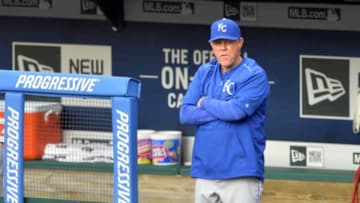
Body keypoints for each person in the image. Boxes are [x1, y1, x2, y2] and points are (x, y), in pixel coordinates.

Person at [179, 18, 270, 203]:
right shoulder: (205, 72)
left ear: (240, 43)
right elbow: (185, 114)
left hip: (241, 172)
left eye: (228, 42)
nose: (223, 48)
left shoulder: (254, 74)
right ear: (212, 45)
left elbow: (236, 112)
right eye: (218, 42)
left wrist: (204, 101)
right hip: (206, 171)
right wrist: (224, 109)